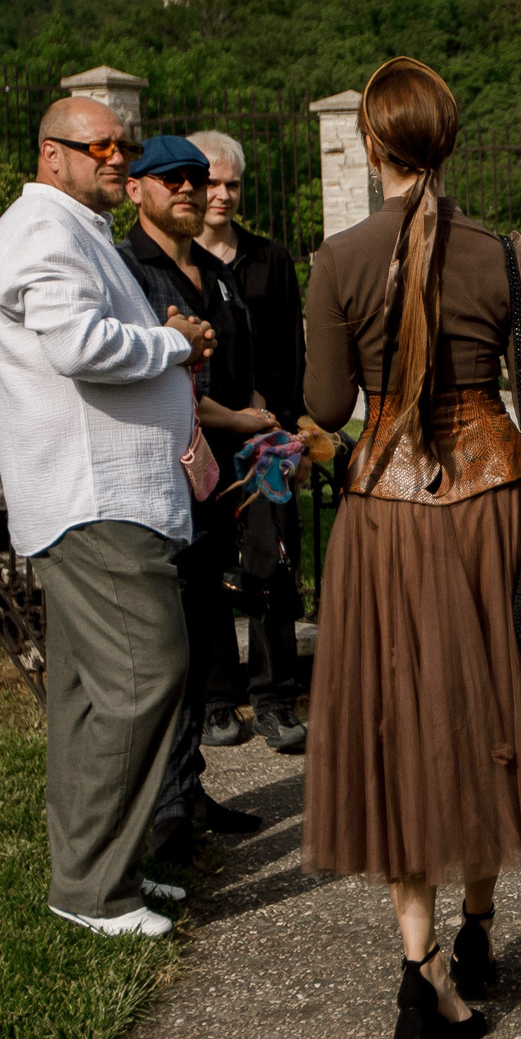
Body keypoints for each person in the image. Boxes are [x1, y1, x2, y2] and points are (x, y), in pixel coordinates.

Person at [301, 56, 521, 1039]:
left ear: (372, 148)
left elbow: (325, 411)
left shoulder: (336, 261)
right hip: (494, 506)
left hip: (384, 525)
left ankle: (423, 975)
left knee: (403, 730)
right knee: (494, 711)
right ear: (448, 144)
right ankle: (483, 926)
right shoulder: (506, 256)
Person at [0, 96, 217, 940]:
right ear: (53, 154)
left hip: (103, 499)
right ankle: (97, 890)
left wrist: (162, 332)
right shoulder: (43, 232)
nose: (120, 158)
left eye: (126, 145)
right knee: (149, 674)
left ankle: (92, 875)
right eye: (101, 146)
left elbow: (91, 331)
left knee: (85, 700)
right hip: (94, 500)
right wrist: (175, 345)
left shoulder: (74, 228)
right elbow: (80, 347)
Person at [115, 133, 274, 861]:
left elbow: (238, 366)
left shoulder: (215, 271)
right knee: (164, 653)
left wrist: (269, 422)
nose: (187, 188)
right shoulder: (128, 273)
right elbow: (166, 388)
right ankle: (166, 811)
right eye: (169, 177)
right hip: (162, 483)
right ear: (136, 190)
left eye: (193, 177)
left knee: (196, 638)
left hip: (218, 485)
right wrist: (240, 419)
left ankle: (189, 790)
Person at [190, 128, 310, 756]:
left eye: (232, 183)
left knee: (274, 564)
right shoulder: (180, 267)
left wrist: (285, 423)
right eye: (211, 182)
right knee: (208, 568)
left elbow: (294, 352)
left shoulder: (271, 260)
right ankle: (215, 700)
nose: (222, 194)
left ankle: (274, 698)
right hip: (203, 443)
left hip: (267, 446)